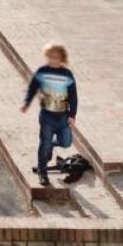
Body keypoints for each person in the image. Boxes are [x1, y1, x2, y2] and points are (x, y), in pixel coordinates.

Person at [19, 42, 79, 184]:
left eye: (56, 57)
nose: (53, 60)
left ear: (61, 58)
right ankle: (42, 172)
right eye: (50, 57)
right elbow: (33, 88)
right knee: (44, 143)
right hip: (47, 116)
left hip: (63, 115)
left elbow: (73, 96)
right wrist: (27, 103)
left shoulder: (67, 74)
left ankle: (52, 144)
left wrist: (72, 115)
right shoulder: (42, 72)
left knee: (66, 142)